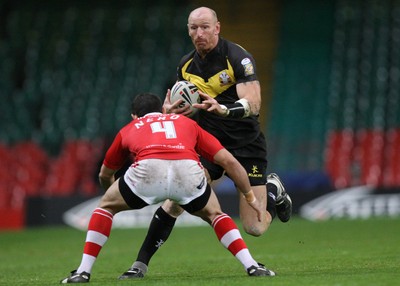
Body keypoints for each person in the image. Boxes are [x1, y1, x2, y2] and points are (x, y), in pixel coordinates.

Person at [118, 6, 292, 279]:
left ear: (217, 27)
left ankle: (272, 190)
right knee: (175, 201)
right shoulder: (185, 66)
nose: (199, 33)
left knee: (255, 227)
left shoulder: (238, 57)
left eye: (205, 27)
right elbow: (186, 106)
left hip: (246, 144)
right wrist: (171, 111)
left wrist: (225, 110)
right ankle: (139, 265)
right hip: (208, 144)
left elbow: (255, 104)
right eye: (193, 28)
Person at [60, 93, 275, 283]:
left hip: (148, 171)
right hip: (187, 171)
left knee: (104, 208)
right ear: (161, 110)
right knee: (215, 214)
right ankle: (252, 265)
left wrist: (111, 198)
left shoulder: (130, 128)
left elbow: (104, 174)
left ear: (134, 116)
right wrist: (251, 199)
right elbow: (230, 162)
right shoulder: (187, 124)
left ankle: (83, 272)